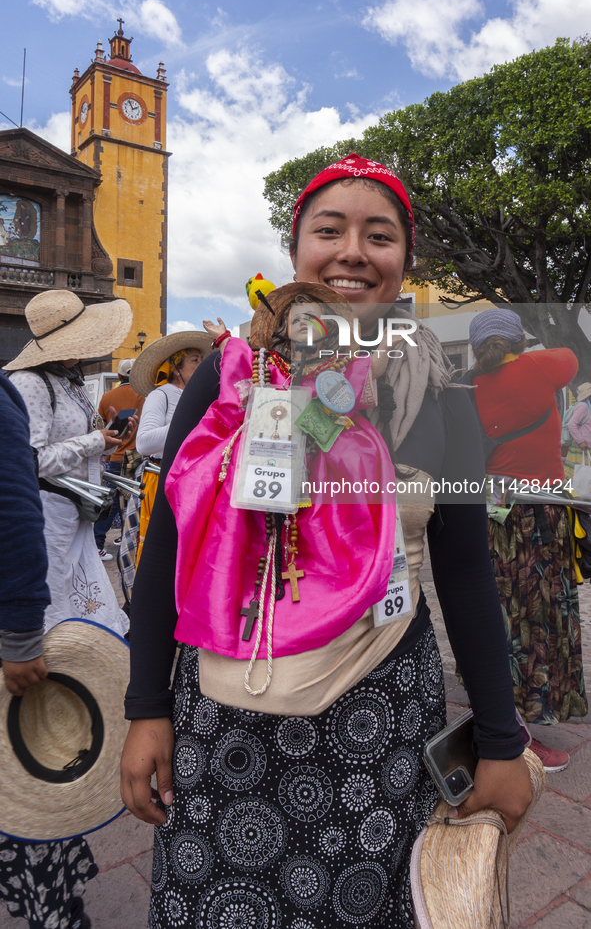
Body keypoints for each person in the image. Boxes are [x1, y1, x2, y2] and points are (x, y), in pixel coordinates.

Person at [121, 154, 532, 929]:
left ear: (405, 260)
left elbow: (469, 574)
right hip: (224, 716)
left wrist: (502, 741)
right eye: (329, 230)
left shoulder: (443, 394)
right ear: (295, 248)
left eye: (378, 236)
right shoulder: (225, 377)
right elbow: (166, 553)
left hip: (377, 726)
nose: (352, 252)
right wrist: (147, 707)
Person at [466, 309, 586, 771]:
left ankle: (500, 709)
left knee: (501, 607)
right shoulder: (538, 367)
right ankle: (519, 730)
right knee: (540, 611)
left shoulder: (470, 385)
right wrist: (526, 347)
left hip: (493, 512)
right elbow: (571, 358)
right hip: (541, 511)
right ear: (517, 340)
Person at [0, 371, 96, 929]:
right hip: (54, 524)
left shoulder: (59, 387)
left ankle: (53, 904)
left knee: (23, 753)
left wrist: (19, 632)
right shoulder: (39, 385)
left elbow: (13, 496)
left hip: (56, 530)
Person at [3, 289, 132, 639]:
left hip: (76, 515)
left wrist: (107, 435)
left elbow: (74, 444)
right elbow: (30, 461)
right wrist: (95, 440)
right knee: (53, 605)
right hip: (48, 518)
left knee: (81, 602)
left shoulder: (68, 381)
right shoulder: (30, 382)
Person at [130, 331, 210, 567]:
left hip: (189, 482)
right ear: (177, 368)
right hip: (161, 481)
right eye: (195, 360)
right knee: (161, 552)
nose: (200, 364)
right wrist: (189, 424)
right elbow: (144, 442)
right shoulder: (161, 394)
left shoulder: (196, 397)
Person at [94, 357, 144, 561]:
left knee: (112, 503)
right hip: (138, 456)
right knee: (135, 502)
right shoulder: (146, 395)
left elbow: (100, 427)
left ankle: (97, 543)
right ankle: (126, 540)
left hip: (115, 456)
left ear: (118, 375)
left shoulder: (107, 397)